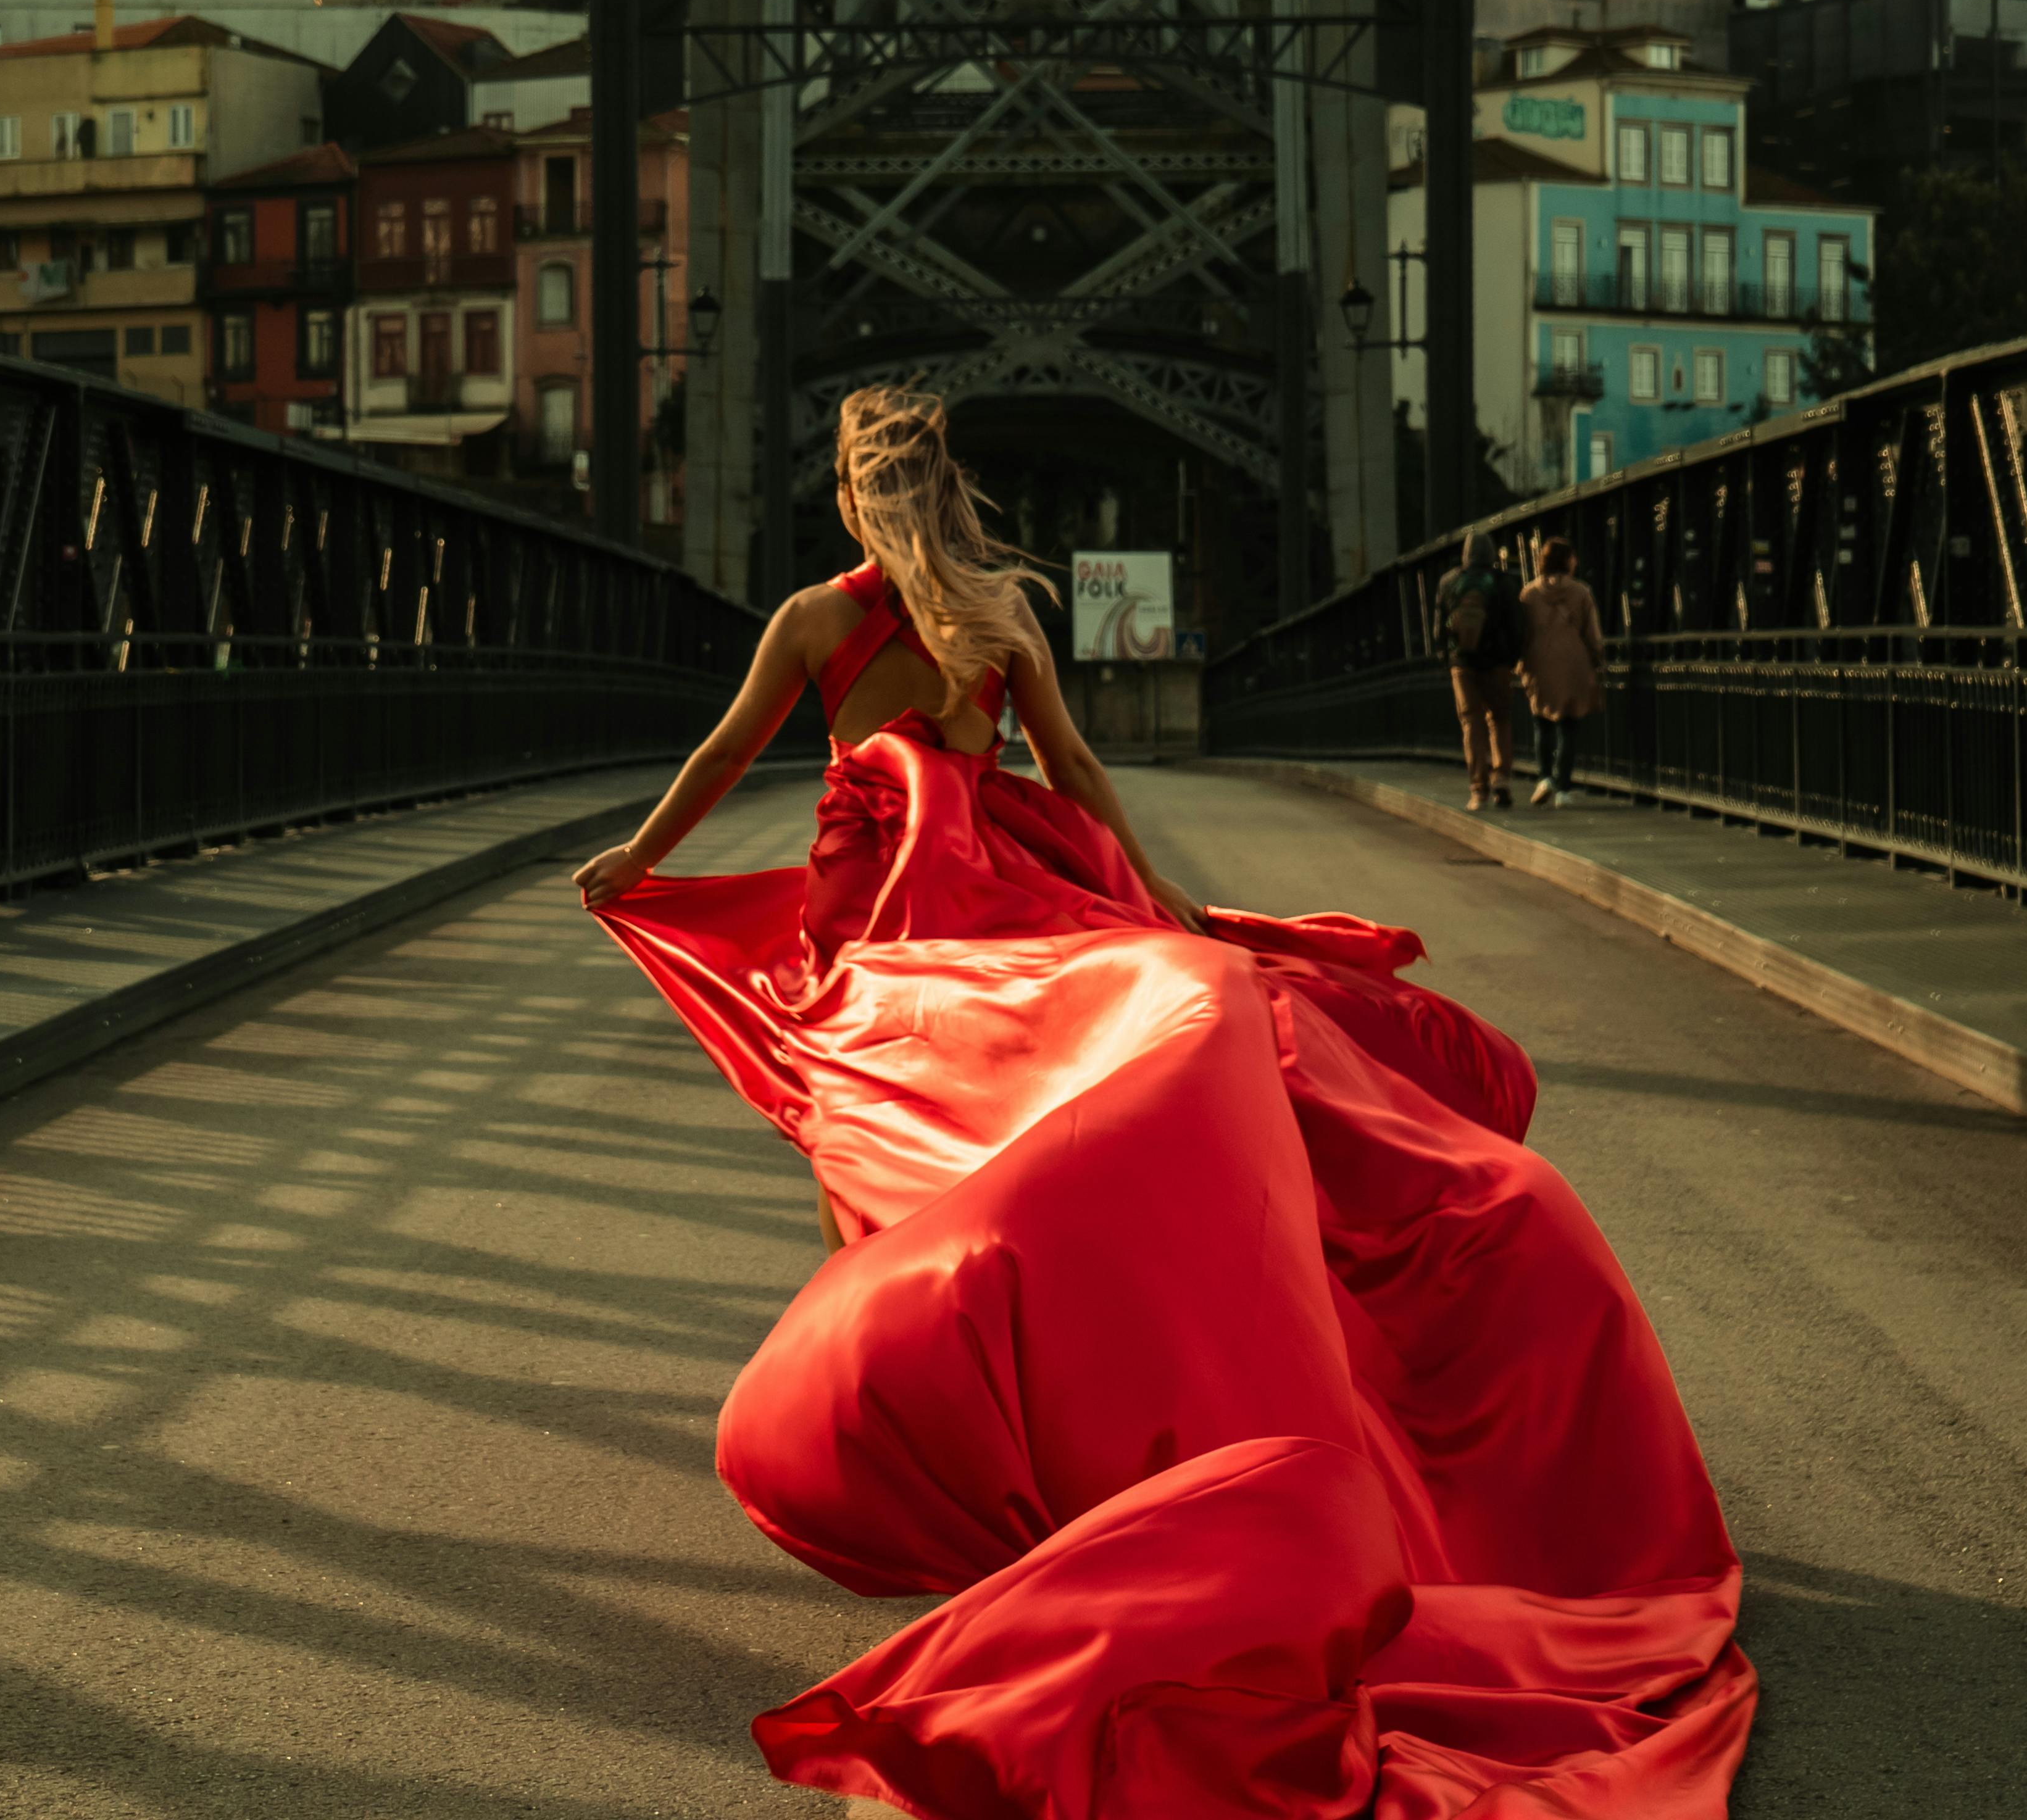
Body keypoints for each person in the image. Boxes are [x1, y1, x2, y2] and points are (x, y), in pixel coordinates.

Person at [572, 385, 1752, 1818]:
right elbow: (1070, 770)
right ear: (950, 495)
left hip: (888, 934)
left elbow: (719, 755)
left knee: (885, 1157)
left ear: (844, 498)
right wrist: (1162, 902)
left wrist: (635, 859)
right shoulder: (1003, 616)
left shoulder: (816, 623)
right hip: (1020, 908)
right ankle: (1081, 1433)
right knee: (1053, 1141)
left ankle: (950, 1440)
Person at [1434, 530, 1524, 811]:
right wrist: (1512, 659)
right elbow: (1517, 627)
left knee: (1471, 721)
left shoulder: (1449, 582)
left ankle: (1478, 789)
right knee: (1500, 719)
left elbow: (1439, 629)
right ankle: (1502, 778)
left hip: (1463, 663)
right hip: (1497, 662)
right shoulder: (1506, 584)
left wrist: (1447, 658)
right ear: (1492, 554)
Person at [1521, 534, 1608, 806]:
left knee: (1541, 722)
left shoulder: (1529, 593)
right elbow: (1593, 635)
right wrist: (1597, 659)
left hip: (1538, 664)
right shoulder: (1581, 592)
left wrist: (1521, 664)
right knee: (1568, 726)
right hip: (1573, 664)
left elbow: (1521, 633)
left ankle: (1545, 776)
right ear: (1568, 561)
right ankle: (1563, 789)